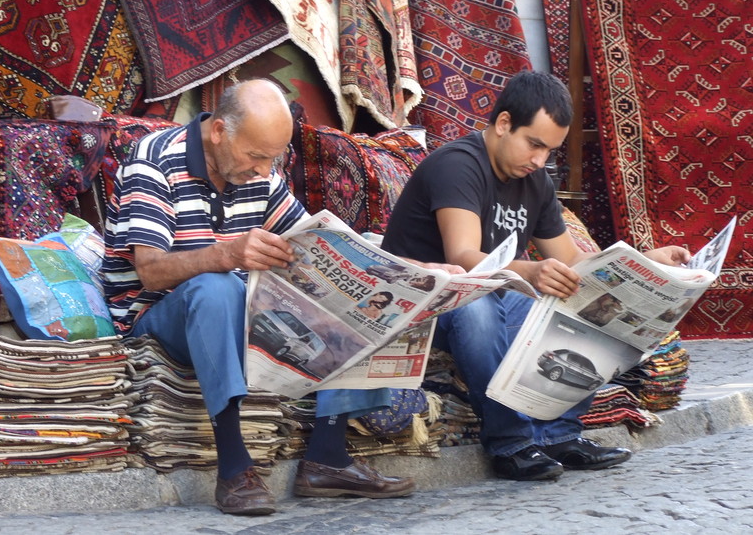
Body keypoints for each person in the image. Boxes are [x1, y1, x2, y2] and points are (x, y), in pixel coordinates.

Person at [102, 79, 416, 516]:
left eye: (273, 159)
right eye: (255, 156)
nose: (265, 171)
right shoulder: (153, 162)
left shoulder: (258, 170)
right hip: (157, 312)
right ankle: (234, 467)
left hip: (236, 300)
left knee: (361, 294)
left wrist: (403, 271)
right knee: (217, 286)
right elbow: (151, 271)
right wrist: (227, 253)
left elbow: (313, 240)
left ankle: (328, 454)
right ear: (218, 132)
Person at [381, 70, 691, 481]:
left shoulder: (536, 182)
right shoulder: (458, 164)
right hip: (427, 300)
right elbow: (465, 257)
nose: (540, 160)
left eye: (550, 151)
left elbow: (572, 261)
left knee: (594, 304)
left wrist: (645, 264)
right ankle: (511, 445)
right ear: (505, 123)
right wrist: (532, 271)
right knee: (481, 309)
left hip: (490, 294)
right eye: (535, 145)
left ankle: (561, 436)